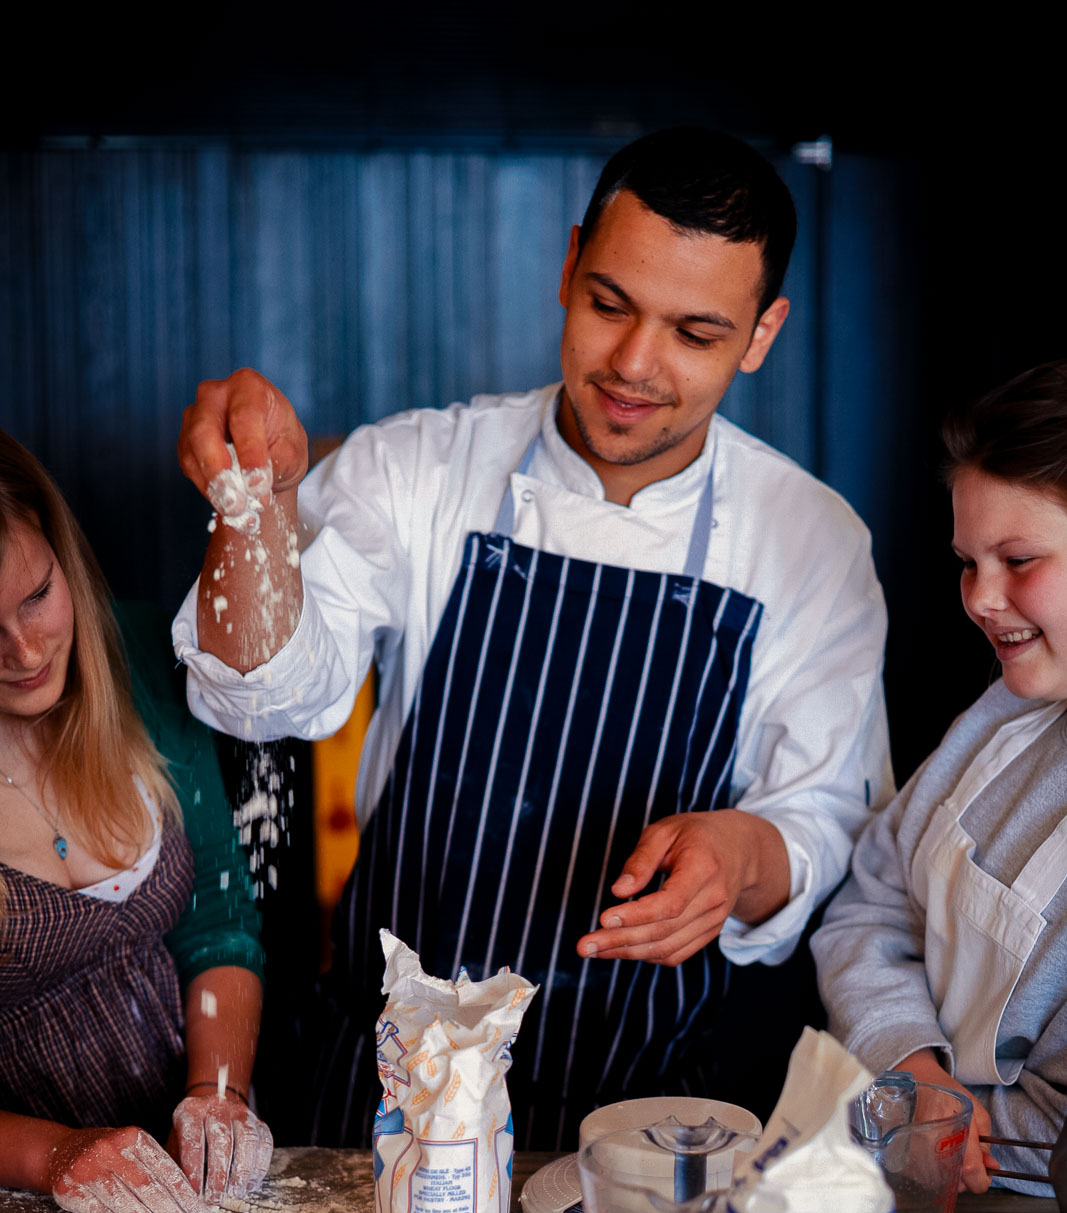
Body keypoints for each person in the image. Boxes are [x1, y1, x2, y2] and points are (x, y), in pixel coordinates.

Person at [174, 127, 892, 1149]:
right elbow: (263, 698)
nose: (633, 364)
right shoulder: (416, 469)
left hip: (637, 1119)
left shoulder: (809, 540)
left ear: (760, 333)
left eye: (693, 333)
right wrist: (256, 508)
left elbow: (822, 818)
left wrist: (740, 857)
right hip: (389, 1092)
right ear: (566, 267)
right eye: (609, 304)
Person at [0, 430, 272, 1213]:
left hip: (198, 1183)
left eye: (37, 596)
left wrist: (219, 1093)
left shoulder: (145, 658)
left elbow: (219, 920)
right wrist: (55, 1155)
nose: (24, 651)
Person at [813, 361, 1067, 1196]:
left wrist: (941, 1126)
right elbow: (872, 901)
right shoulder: (1003, 714)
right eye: (967, 561)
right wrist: (913, 1068)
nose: (980, 598)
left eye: (1017, 559)